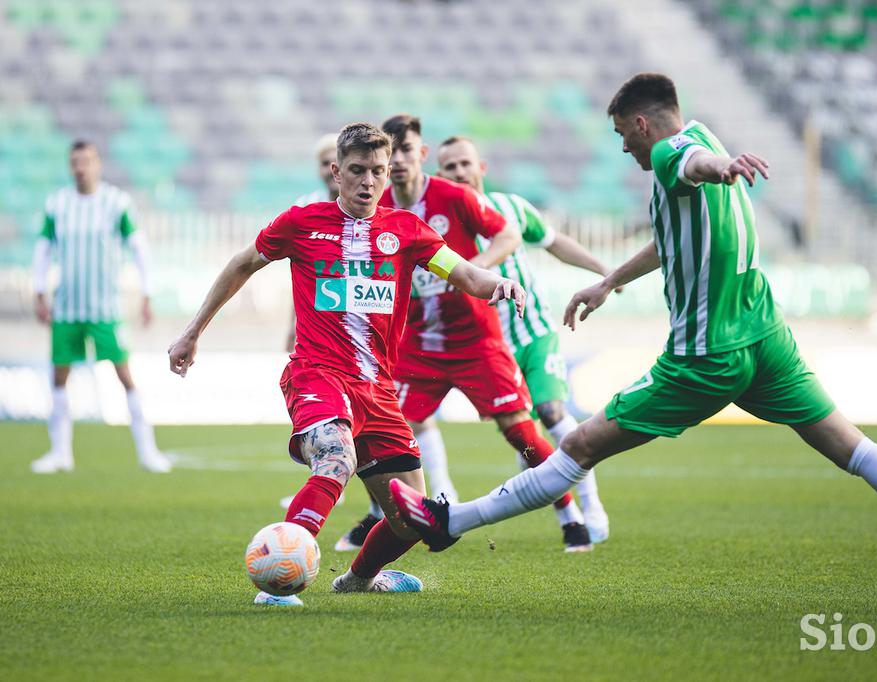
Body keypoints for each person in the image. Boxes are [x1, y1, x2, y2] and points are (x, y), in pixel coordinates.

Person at [389, 74, 877, 610]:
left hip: (703, 357)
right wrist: (609, 281)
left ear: (640, 123)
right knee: (854, 448)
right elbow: (673, 230)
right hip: (767, 340)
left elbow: (687, 165)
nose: (625, 149)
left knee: (577, 443)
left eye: (622, 136)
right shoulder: (702, 135)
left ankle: (449, 522)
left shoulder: (670, 155)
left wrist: (721, 166)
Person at [167, 123, 527, 606]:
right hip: (317, 373)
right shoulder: (301, 223)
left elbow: (463, 273)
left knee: (411, 517)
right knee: (337, 459)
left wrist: (497, 284)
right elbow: (242, 264)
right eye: (357, 171)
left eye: (378, 172)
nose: (369, 182)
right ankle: (278, 584)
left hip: (378, 389)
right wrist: (193, 332)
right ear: (337, 172)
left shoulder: (407, 231)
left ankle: (359, 578)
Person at [336, 115, 593, 554]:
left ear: (421, 154)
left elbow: (509, 233)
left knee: (519, 429)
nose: (395, 161)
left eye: (405, 150)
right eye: (388, 154)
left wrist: (476, 273)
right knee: (389, 428)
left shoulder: (451, 197)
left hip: (476, 339)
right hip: (417, 343)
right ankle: (419, 505)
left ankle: (570, 515)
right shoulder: (374, 208)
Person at [434, 135, 612, 542]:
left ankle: (592, 507)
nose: (460, 172)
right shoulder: (442, 225)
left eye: (466, 164)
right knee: (525, 440)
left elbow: (553, 243)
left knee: (552, 410)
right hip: (490, 347)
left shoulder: (512, 208)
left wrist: (602, 269)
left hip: (533, 332)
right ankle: (570, 519)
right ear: (440, 175)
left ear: (483, 168)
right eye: (450, 167)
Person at [30, 140, 170, 474]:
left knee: (125, 375)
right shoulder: (58, 204)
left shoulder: (115, 203)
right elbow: (43, 249)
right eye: (76, 161)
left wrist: (147, 292)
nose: (81, 167)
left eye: (87, 161)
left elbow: (139, 249)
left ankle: (147, 451)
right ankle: (61, 452)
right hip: (67, 307)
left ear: (98, 164)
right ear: (70, 165)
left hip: (105, 307)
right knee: (59, 376)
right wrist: (39, 291)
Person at [278, 134, 346, 510]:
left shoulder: (374, 210)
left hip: (366, 339)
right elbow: (304, 277)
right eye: (321, 163)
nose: (326, 170)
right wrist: (293, 323)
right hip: (320, 342)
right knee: (331, 427)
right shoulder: (304, 211)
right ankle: (322, 483)